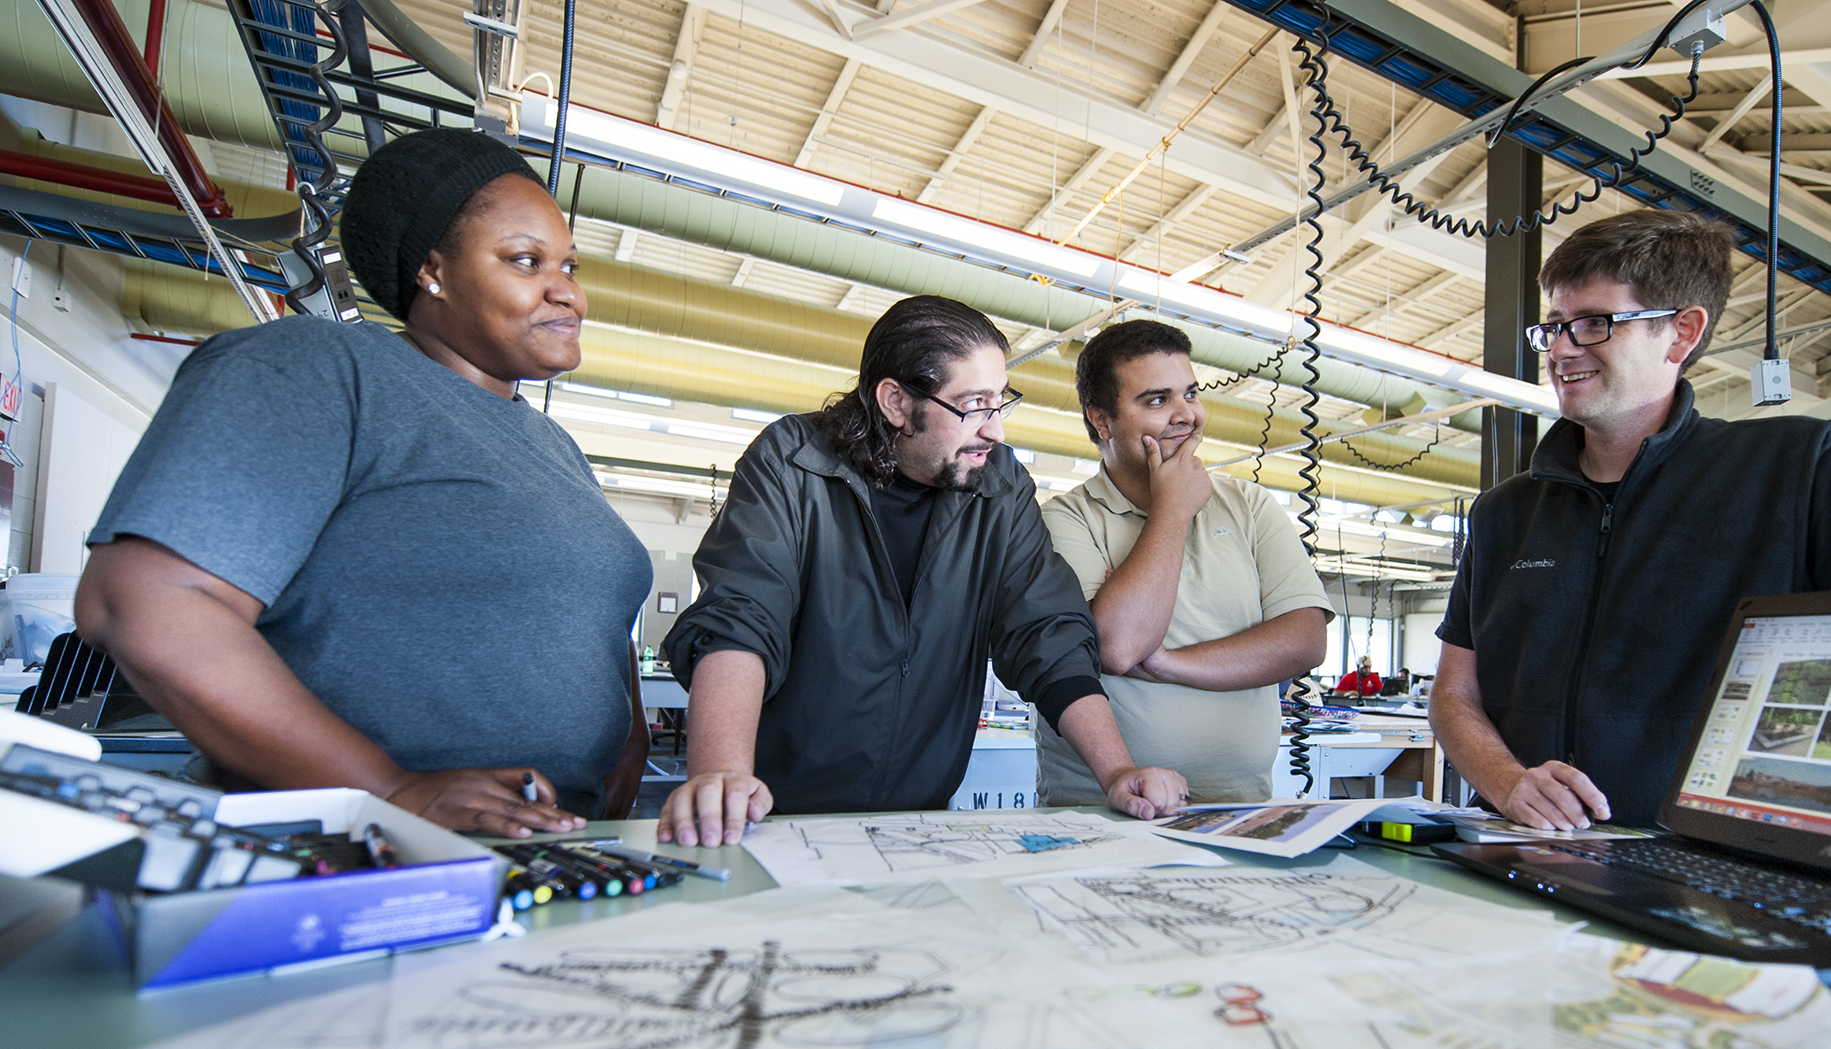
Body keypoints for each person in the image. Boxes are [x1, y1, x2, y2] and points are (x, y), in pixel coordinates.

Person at [75, 128, 651, 837]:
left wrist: (628, 739)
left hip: (554, 841)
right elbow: (145, 602)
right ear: (432, 271)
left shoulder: (552, 444)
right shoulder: (320, 368)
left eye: (569, 264)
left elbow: (587, 600)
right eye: (526, 261)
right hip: (354, 850)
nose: (567, 292)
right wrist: (390, 789)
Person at [1431, 209, 1831, 831]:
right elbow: (1456, 693)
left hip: (1712, 862)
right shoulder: (1505, 513)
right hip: (1525, 850)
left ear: (1681, 333)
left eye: (1595, 323)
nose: (1562, 349)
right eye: (1556, 326)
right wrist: (1510, 785)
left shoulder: (1795, 470)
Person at [657, 296, 1189, 847]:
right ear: (894, 402)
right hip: (770, 817)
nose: (996, 431)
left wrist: (1118, 773)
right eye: (973, 405)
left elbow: (1046, 633)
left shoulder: (999, 487)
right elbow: (742, 615)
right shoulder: (791, 463)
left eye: (1000, 402)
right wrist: (720, 776)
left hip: (919, 824)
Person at [1034, 320, 1330, 806]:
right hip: (1101, 807)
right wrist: (1171, 509)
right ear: (1102, 420)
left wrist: (1169, 663)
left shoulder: (1249, 505)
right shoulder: (1064, 519)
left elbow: (1304, 640)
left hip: (1238, 804)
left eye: (1190, 393)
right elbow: (1119, 645)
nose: (1185, 415)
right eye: (1156, 400)